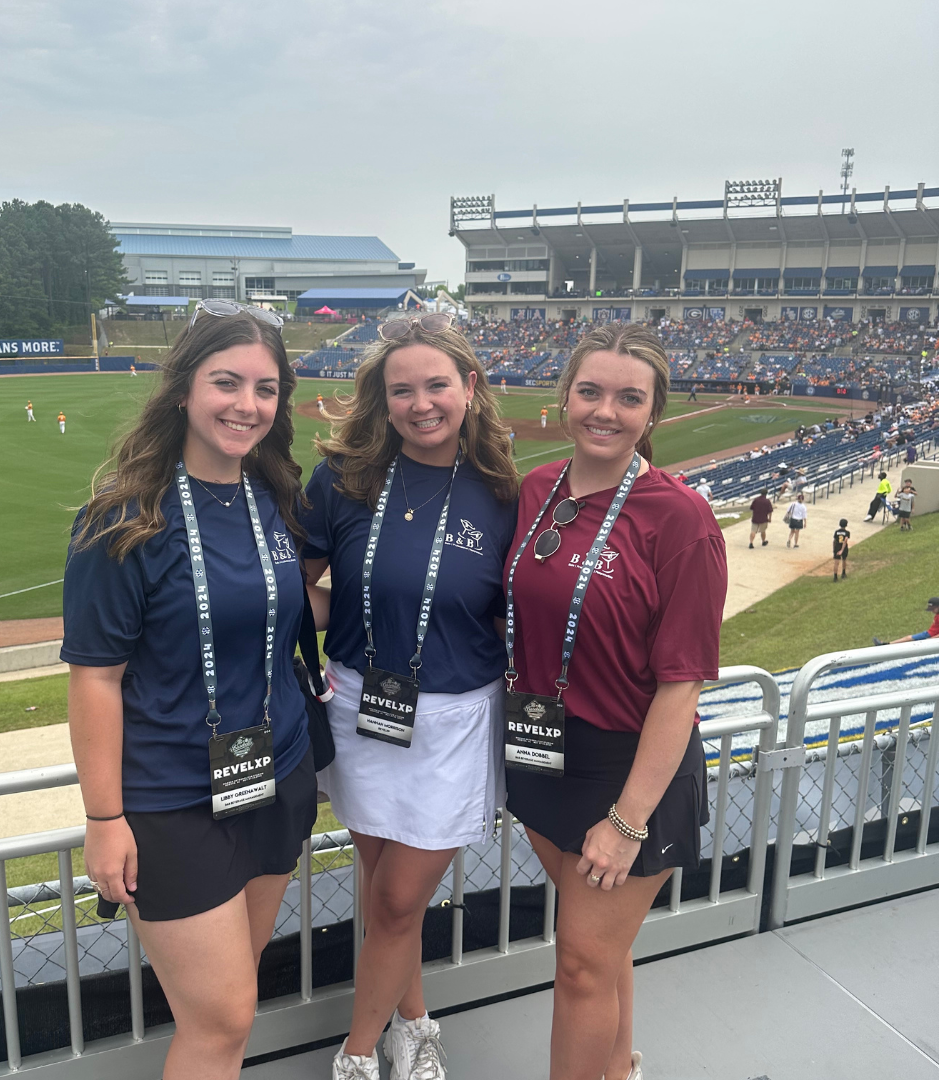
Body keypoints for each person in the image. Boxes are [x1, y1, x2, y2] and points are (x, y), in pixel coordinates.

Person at [60, 300, 317, 1080]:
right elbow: (95, 680)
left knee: (233, 1005)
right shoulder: (121, 521)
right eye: (227, 382)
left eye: (266, 389)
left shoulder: (275, 500)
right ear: (183, 389)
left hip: (276, 776)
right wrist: (104, 819)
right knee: (220, 1016)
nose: (247, 405)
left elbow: (276, 613)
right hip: (171, 799)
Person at [506, 324, 726, 1080]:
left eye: (629, 398)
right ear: (564, 398)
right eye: (591, 391)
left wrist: (628, 822)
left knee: (579, 968)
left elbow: (682, 683)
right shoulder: (538, 489)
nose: (605, 410)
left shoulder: (680, 518)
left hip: (631, 769)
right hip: (543, 750)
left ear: (652, 413)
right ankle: (618, 1070)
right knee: (600, 954)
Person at [302, 312, 519, 1080]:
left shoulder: (503, 491)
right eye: (403, 390)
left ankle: (356, 1056)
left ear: (469, 387)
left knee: (397, 900)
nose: (420, 403)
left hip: (456, 716)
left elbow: (505, 611)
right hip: (362, 706)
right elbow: (296, 594)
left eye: (436, 385)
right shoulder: (341, 479)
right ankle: (417, 1025)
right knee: (387, 892)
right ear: (382, 398)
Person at [874, 596, 939, 646]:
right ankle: (887, 644)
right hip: (929, 633)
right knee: (908, 638)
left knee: (908, 638)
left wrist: (931, 639)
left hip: (929, 635)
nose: (932, 611)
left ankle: (887, 645)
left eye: (933, 609)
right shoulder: (937, 615)